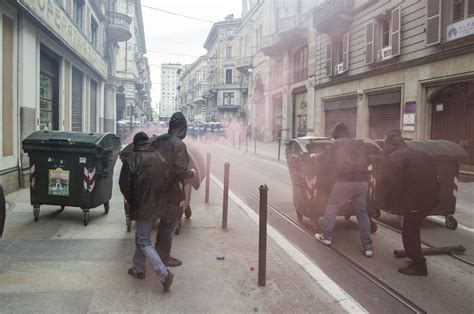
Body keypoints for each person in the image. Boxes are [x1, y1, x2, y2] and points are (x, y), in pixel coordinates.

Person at [119, 132, 174, 291]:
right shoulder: (159, 156)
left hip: (142, 205)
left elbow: (124, 184)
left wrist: (133, 201)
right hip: (158, 205)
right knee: (142, 236)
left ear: (136, 144)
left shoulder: (132, 158)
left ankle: (164, 274)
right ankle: (139, 269)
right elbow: (167, 179)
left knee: (144, 241)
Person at [381, 130, 439, 276]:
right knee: (414, 229)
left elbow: (395, 184)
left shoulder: (395, 157)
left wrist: (390, 205)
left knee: (409, 232)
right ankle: (415, 257)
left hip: (416, 200)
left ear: (389, 146)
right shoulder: (420, 154)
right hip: (431, 198)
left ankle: (419, 265)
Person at [314, 122, 373, 257]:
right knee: (362, 213)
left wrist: (316, 158)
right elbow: (368, 161)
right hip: (362, 182)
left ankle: (326, 236)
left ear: (337, 133)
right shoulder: (360, 144)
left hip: (344, 181)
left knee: (332, 207)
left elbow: (324, 161)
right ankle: (368, 246)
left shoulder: (337, 144)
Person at [153, 112, 196, 267]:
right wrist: (191, 172)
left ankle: (159, 253)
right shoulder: (179, 145)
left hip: (157, 188)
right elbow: (181, 171)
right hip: (172, 190)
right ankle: (164, 257)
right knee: (168, 224)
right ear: (182, 128)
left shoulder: (159, 140)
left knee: (163, 222)